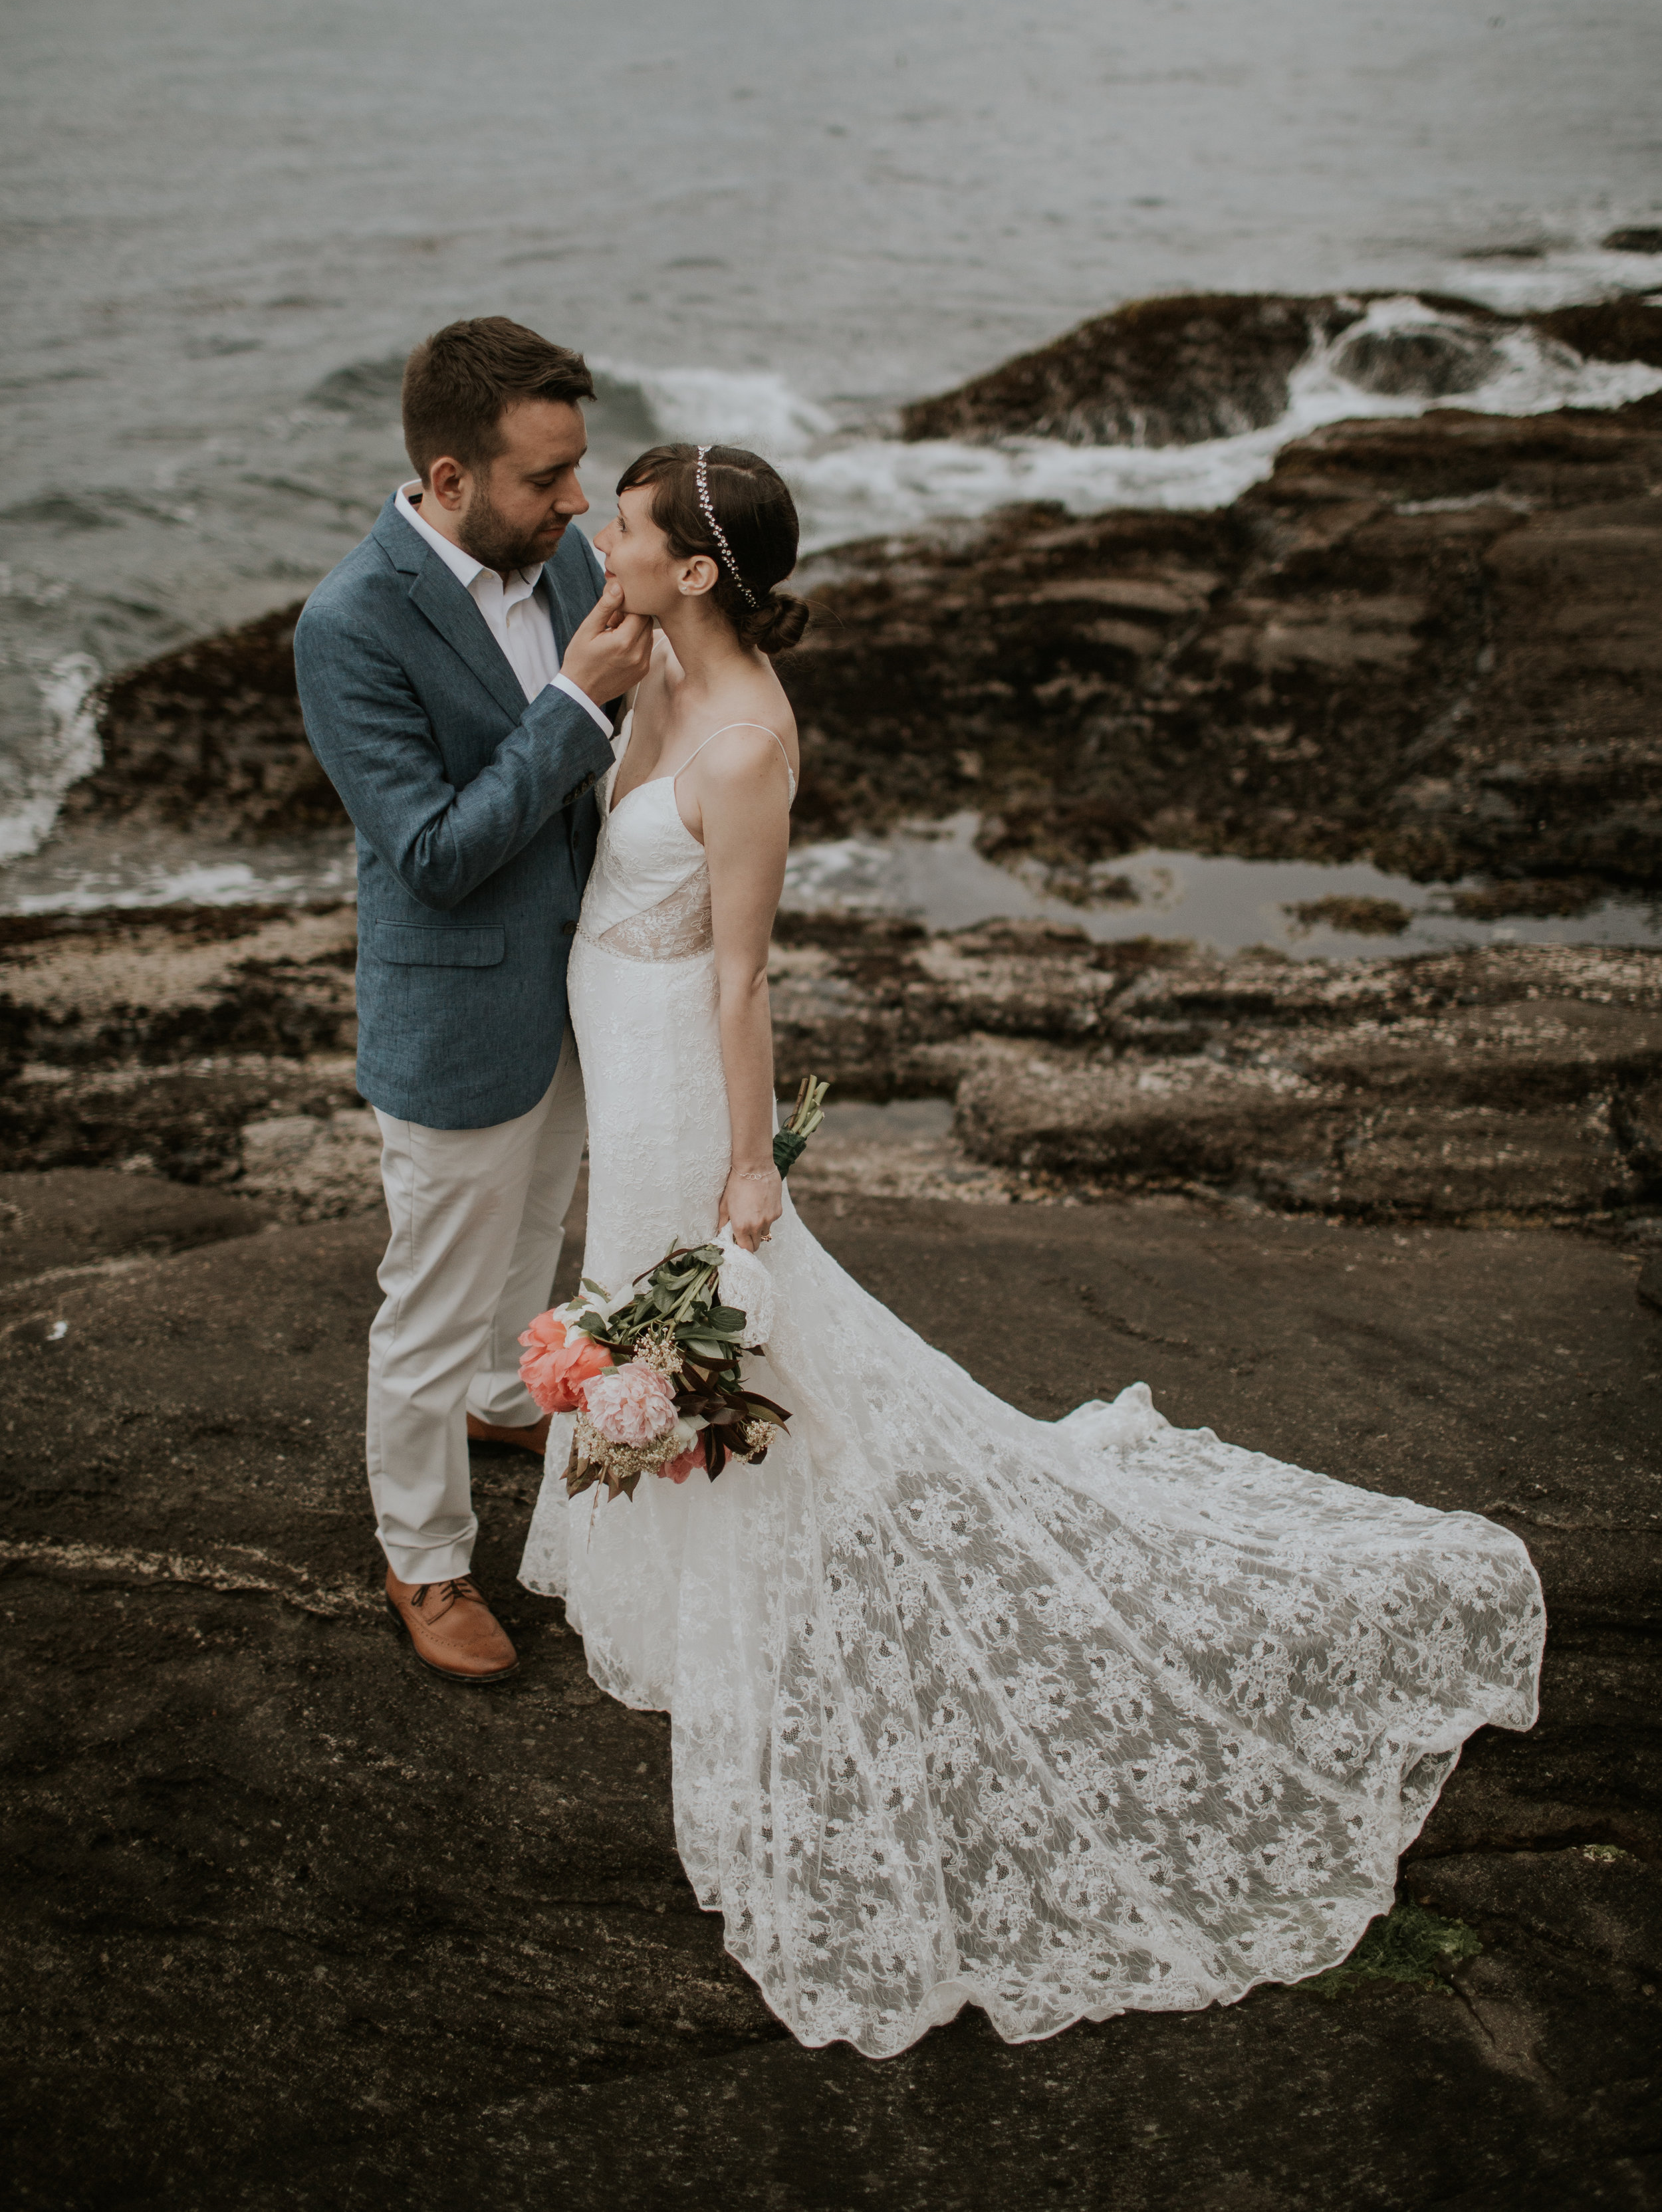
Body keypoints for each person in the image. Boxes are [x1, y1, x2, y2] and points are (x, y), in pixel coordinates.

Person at [519, 441, 1546, 2059]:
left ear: (695, 570)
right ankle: (662, 1576)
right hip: (606, 1028)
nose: (597, 536)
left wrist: (745, 1165)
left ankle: (748, 1573)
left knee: (703, 1321)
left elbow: (739, 980)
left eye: (625, 528)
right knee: (642, 1320)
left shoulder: (746, 733)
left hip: (665, 1058)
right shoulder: (639, 667)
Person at [294, 317, 652, 1685]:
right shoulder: (349, 626)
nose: (576, 504)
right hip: (455, 1010)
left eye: (578, 473)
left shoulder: (556, 556)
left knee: (539, 1228)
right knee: (428, 1308)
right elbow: (435, 854)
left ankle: (507, 1403)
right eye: (545, 478)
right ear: (449, 479)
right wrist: (573, 701)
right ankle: (423, 1557)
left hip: (584, 990)